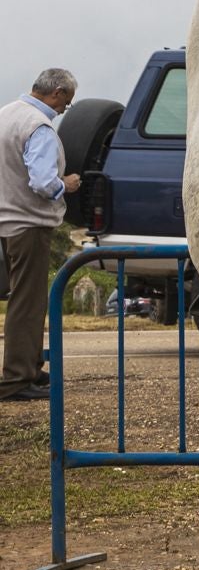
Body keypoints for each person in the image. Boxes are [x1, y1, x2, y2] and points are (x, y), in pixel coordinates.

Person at [0, 69, 81, 401]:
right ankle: (18, 378)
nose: (64, 109)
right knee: (28, 304)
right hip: (29, 224)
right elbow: (43, 182)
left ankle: (30, 366)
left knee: (23, 299)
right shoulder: (39, 126)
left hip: (6, 221)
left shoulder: (6, 115)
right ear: (57, 92)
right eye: (66, 102)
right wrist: (67, 184)